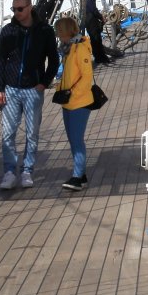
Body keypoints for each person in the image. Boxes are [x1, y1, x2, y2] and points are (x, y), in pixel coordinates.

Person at [0, 0, 58, 190]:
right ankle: (9, 172)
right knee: (8, 132)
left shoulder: (45, 31)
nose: (17, 12)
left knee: (32, 133)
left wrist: (44, 83)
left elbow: (54, 60)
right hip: (11, 89)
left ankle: (27, 170)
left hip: (33, 89)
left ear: (30, 8)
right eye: (14, 9)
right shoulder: (8, 31)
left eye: (20, 9)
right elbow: (0, 60)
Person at [53, 15, 95, 190]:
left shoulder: (79, 48)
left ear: (67, 31)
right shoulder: (68, 49)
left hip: (79, 101)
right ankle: (81, 174)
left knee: (77, 140)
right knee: (72, 139)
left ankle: (77, 177)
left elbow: (86, 76)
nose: (57, 35)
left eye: (59, 31)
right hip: (68, 101)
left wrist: (73, 93)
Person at [83, 0, 114, 65]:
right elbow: (93, 10)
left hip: (87, 19)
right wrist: (101, 17)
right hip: (91, 20)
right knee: (96, 39)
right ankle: (101, 58)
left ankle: (98, 57)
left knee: (94, 39)